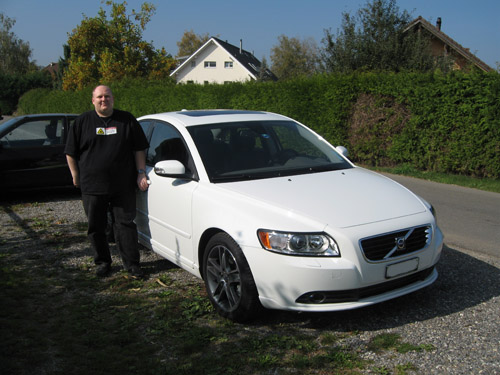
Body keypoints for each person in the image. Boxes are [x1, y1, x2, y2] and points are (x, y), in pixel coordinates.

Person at [65, 85, 149, 278]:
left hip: (123, 185)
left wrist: (141, 172)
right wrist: (75, 175)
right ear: (93, 100)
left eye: (108, 96)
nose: (104, 100)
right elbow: (70, 152)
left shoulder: (126, 120)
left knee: (126, 225)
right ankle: (103, 262)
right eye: (100, 97)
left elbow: (139, 149)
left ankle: (132, 265)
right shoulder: (81, 122)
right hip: (92, 185)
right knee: (96, 226)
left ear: (113, 98)